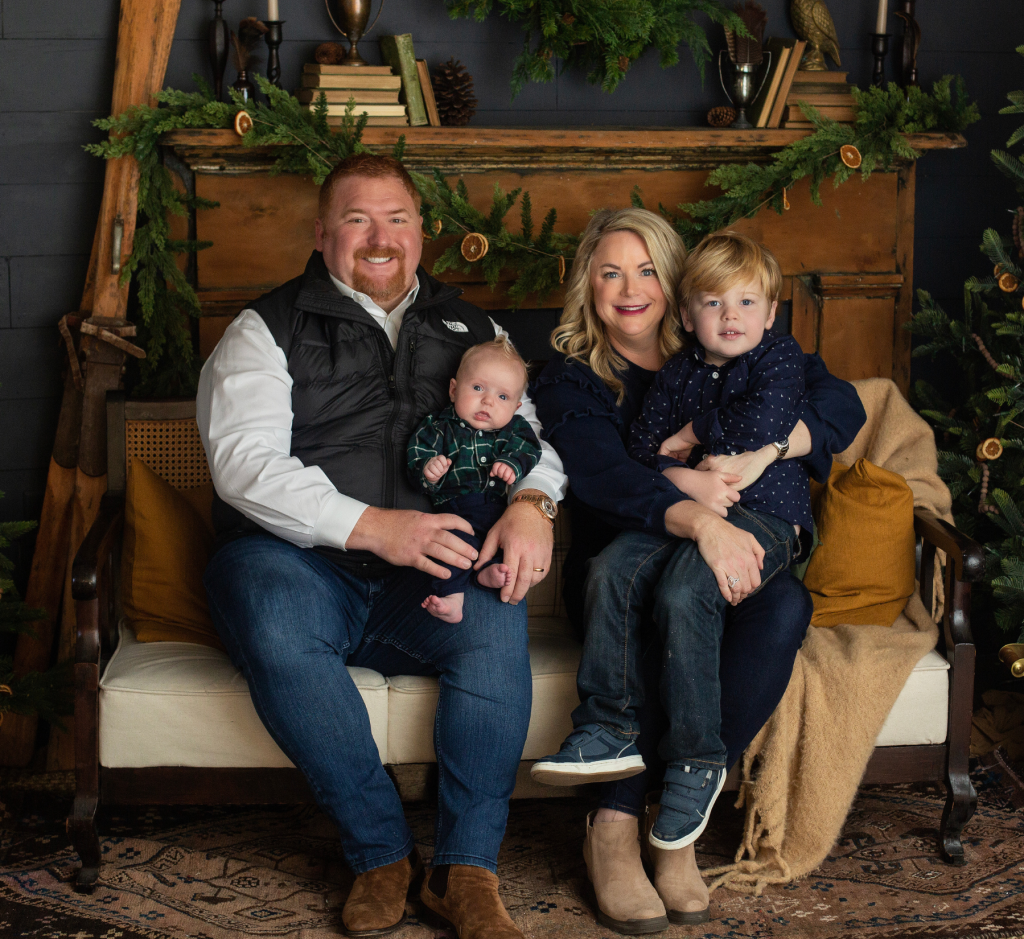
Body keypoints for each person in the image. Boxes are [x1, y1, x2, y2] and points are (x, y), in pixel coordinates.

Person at [197, 153, 566, 939]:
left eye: (396, 218)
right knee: (269, 606)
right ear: (324, 231)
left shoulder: (474, 327)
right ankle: (381, 853)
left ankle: (464, 870)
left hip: (426, 578)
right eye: (358, 218)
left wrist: (535, 501)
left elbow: (529, 431)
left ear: (422, 233)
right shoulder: (265, 327)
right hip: (296, 564)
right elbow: (242, 464)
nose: (379, 236)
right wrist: (372, 526)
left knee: (496, 610)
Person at [529, 208, 865, 935]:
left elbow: (837, 401)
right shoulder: (569, 379)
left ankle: (677, 814)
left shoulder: (733, 342)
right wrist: (701, 516)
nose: (629, 287)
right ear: (586, 283)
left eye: (647, 268)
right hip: (623, 561)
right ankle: (614, 821)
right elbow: (607, 476)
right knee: (650, 603)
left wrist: (772, 449)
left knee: (782, 609)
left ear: (675, 282)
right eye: (610, 270)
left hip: (736, 540)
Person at [408, 337, 542, 622]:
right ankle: (452, 598)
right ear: (454, 389)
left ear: (516, 407)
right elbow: (417, 452)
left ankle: (488, 573)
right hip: (453, 512)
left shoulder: (513, 429)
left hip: (497, 512)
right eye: (478, 388)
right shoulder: (439, 426)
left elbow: (529, 448)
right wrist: (428, 468)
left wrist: (513, 464)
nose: (488, 401)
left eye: (502, 397)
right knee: (450, 546)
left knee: (506, 545)